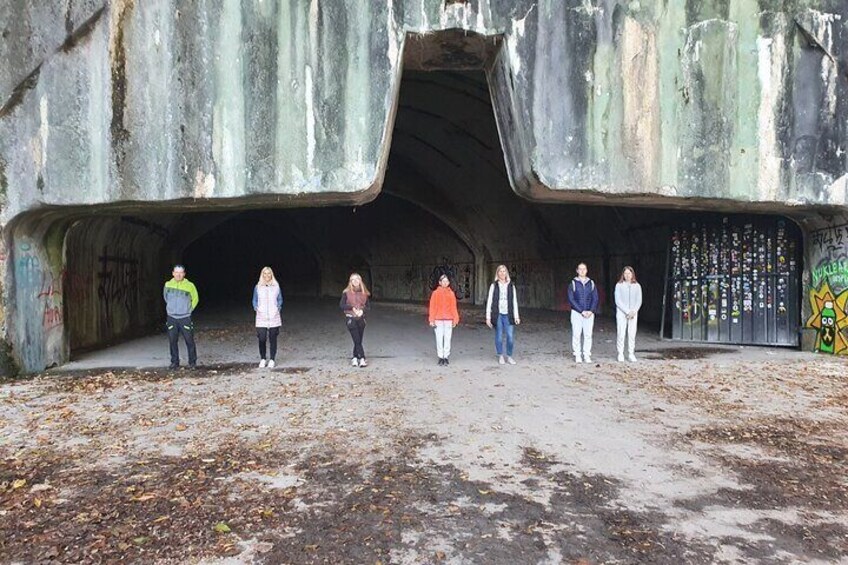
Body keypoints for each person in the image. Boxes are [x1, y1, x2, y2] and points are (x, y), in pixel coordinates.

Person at [163, 264, 199, 369]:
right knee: (172, 340)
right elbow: (166, 298)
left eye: (181, 272)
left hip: (185, 318)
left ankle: (192, 362)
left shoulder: (190, 286)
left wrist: (188, 310)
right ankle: (175, 362)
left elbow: (195, 299)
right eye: (176, 272)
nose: (178, 275)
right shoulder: (167, 285)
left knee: (189, 340)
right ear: (173, 273)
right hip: (172, 317)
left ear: (184, 274)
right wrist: (171, 309)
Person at [485, 264, 520, 365]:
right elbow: (490, 301)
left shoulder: (511, 286)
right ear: (497, 273)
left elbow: (514, 302)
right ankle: (500, 355)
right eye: (500, 271)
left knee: (510, 336)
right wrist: (488, 317)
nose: (502, 273)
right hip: (498, 314)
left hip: (508, 314)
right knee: (499, 336)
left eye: (504, 271)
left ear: (506, 273)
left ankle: (509, 356)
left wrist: (516, 316)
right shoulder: (494, 286)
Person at [567, 262, 599, 363]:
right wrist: (581, 311)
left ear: (586, 270)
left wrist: (591, 310)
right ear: (577, 271)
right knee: (576, 334)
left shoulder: (591, 283)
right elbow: (571, 299)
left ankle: (587, 354)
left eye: (584, 269)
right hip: (577, 313)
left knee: (588, 334)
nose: (582, 271)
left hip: (589, 313)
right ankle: (577, 354)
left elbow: (595, 298)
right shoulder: (573, 283)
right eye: (580, 269)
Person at [253, 266, 283, 368]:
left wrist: (277, 308)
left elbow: (280, 299)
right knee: (261, 338)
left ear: (271, 274)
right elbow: (254, 300)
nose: (267, 275)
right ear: (262, 275)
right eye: (264, 273)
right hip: (261, 316)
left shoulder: (276, 286)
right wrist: (256, 308)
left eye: (268, 273)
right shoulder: (257, 287)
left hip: (274, 315)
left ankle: (272, 359)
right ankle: (263, 358)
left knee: (273, 338)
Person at [429, 273, 460, 365]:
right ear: (440, 282)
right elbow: (432, 307)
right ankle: (440, 356)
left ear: (449, 282)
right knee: (439, 339)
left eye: (447, 281)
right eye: (443, 281)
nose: (445, 283)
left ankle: (446, 356)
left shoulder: (451, 294)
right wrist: (431, 319)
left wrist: (456, 319)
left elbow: (454, 307)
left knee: (447, 338)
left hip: (448, 319)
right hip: (438, 319)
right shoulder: (435, 293)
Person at [340, 273, 370, 367]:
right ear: (350, 282)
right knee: (357, 339)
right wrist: (352, 307)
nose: (355, 281)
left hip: (361, 318)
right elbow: (342, 305)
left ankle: (354, 357)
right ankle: (362, 358)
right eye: (352, 279)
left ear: (360, 280)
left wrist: (362, 310)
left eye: (357, 279)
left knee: (358, 340)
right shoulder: (346, 293)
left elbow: (368, 307)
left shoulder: (365, 293)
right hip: (351, 318)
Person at [615, 266, 642, 362]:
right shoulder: (619, 285)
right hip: (622, 313)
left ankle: (631, 353)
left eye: (629, 273)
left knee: (632, 334)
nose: (627, 275)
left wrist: (634, 311)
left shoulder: (637, 286)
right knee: (621, 333)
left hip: (633, 313)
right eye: (625, 273)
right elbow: (618, 300)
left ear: (632, 274)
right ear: (623, 274)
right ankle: (620, 353)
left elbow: (639, 300)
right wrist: (627, 311)